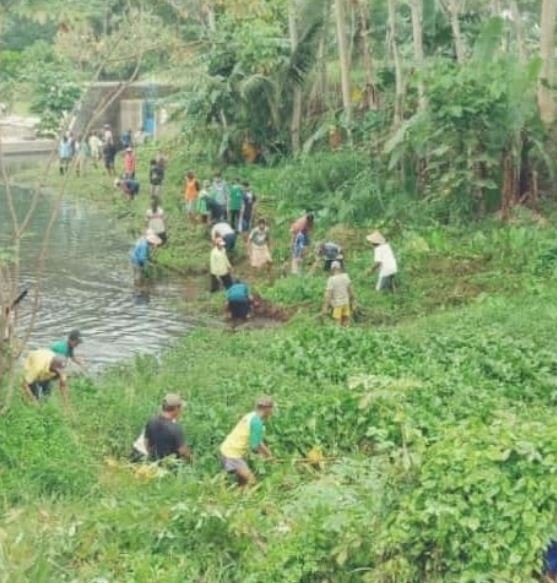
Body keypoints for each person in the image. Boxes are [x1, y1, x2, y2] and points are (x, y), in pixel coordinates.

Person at [220, 396, 274, 487]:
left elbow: (258, 441)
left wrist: (268, 454)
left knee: (242, 482)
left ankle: (238, 496)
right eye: (271, 408)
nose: (272, 411)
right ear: (266, 408)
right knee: (252, 482)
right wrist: (267, 455)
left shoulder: (251, 415)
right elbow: (255, 445)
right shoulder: (257, 423)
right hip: (232, 454)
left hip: (226, 449)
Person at [143, 393, 192, 462]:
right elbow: (183, 451)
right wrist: (191, 461)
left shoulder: (152, 420)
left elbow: (146, 444)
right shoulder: (176, 429)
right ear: (176, 408)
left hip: (153, 462)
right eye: (180, 408)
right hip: (170, 464)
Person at [322, 261, 355, 325]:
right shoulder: (346, 276)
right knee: (346, 319)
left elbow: (328, 294)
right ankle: (347, 332)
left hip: (337, 303)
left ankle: (338, 333)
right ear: (340, 268)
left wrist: (325, 306)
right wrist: (353, 299)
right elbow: (351, 289)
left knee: (337, 320)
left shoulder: (331, 280)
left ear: (332, 269)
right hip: (346, 302)